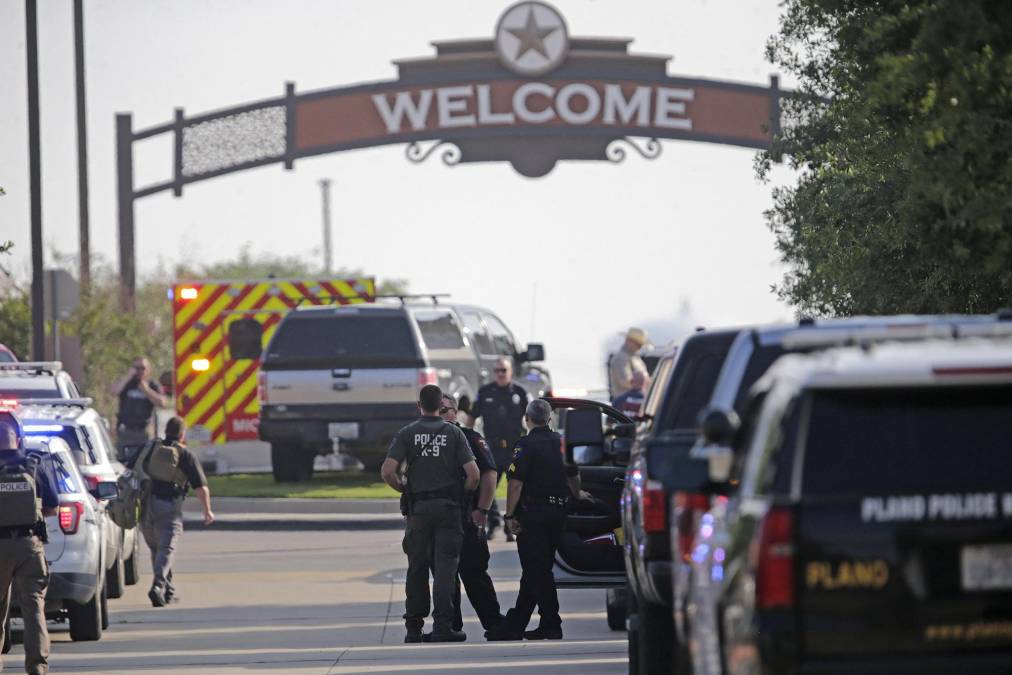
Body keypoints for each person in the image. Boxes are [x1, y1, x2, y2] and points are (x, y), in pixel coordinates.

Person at [381, 385, 479, 643]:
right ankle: (443, 626)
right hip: (449, 509)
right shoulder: (454, 434)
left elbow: (387, 471)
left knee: (417, 568)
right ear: (440, 406)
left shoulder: (407, 433)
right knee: (446, 569)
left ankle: (413, 627)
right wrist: (462, 496)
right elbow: (474, 475)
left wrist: (403, 489)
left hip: (418, 511)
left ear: (419, 405)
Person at [486, 399, 569, 641]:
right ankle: (516, 623)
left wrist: (510, 515)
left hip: (534, 515)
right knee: (536, 569)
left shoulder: (526, 445)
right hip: (559, 513)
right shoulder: (562, 443)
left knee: (537, 569)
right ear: (550, 419)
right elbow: (573, 473)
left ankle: (551, 622)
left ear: (527, 419)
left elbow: (515, 484)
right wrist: (578, 494)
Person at [128, 417, 214, 607]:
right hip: (168, 506)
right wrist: (207, 511)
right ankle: (158, 586)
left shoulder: (149, 447)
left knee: (157, 549)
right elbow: (201, 487)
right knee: (166, 549)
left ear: (166, 430)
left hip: (145, 506)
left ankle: (168, 591)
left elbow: (129, 469)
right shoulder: (185, 454)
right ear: (182, 435)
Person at [0, 412, 59, 675]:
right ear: (17, 440)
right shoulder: (34, 465)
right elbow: (53, 508)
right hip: (29, 546)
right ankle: (37, 666)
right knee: (33, 608)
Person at [438, 394, 503, 634]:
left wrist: (482, 510)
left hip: (467, 516)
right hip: (439, 519)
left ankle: (494, 624)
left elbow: (489, 474)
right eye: (437, 410)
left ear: (455, 413)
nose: (441, 415)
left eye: (446, 410)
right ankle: (450, 627)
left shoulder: (470, 438)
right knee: (445, 577)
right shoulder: (424, 439)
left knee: (474, 572)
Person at [468, 356, 530, 541]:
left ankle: (511, 524)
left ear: (510, 371)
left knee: (516, 485)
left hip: (514, 449)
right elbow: (472, 417)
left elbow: (531, 418)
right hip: (492, 449)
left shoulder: (520, 392)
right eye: (497, 371)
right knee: (486, 485)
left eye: (504, 370)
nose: (500, 374)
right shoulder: (485, 392)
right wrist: (465, 439)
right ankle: (494, 522)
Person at [110, 357, 167, 456]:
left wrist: (146, 390)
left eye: (142, 368)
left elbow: (162, 403)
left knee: (143, 461)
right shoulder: (126, 383)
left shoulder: (152, 385)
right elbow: (114, 392)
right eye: (137, 368)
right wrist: (128, 376)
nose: (139, 371)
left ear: (148, 370)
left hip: (144, 432)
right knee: (123, 460)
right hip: (126, 431)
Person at [608, 327, 648, 398]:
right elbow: (625, 381)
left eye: (640, 344)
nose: (639, 346)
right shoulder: (620, 358)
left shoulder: (635, 357)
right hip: (626, 403)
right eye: (637, 343)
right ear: (628, 340)